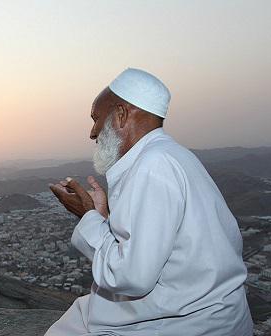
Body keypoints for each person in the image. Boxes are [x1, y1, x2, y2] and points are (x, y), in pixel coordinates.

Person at [46, 68, 253, 335]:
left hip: (187, 323)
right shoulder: (168, 155)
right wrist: (104, 216)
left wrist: (88, 216)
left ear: (121, 115)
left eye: (96, 119)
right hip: (188, 310)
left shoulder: (152, 167)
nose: (92, 132)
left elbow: (132, 276)